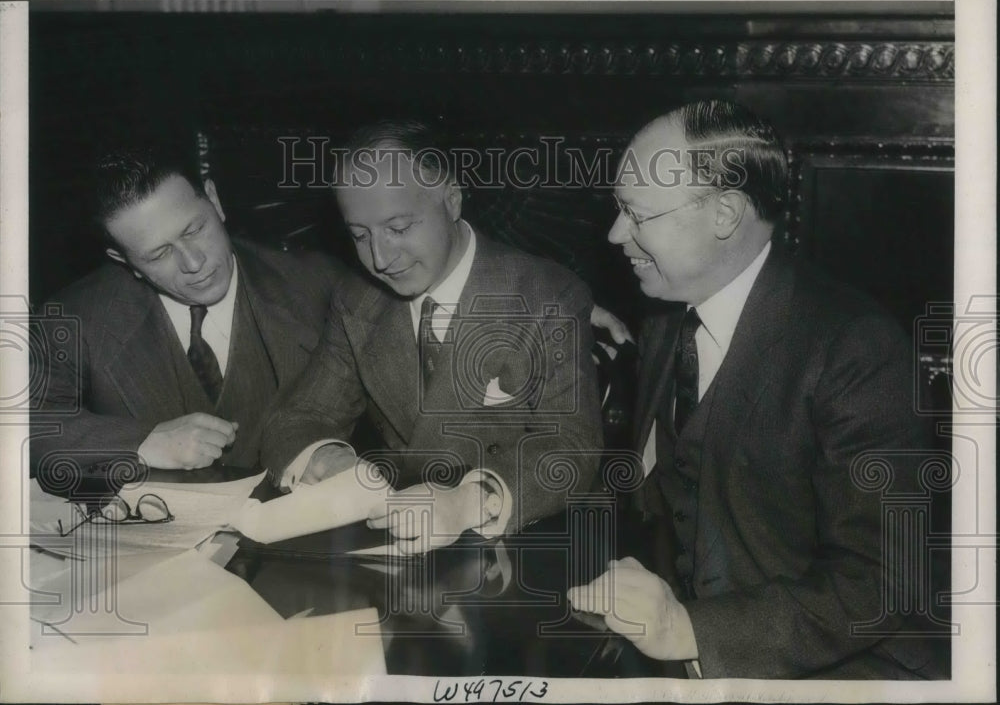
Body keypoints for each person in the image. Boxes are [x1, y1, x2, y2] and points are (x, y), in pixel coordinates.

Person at [568, 100, 945, 678]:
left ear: (725, 214)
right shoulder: (666, 317)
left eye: (636, 214)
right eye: (619, 208)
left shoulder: (854, 346)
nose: (616, 233)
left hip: (847, 670)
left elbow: (881, 580)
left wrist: (687, 630)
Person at [260, 120, 603, 553]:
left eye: (399, 228)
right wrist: (328, 459)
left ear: (452, 200)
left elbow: (572, 448)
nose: (380, 259)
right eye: (360, 236)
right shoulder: (358, 300)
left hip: (516, 550)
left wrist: (468, 501)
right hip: (397, 545)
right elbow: (295, 418)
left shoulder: (546, 295)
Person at [30, 142, 344, 491]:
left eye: (194, 230)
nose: (194, 263)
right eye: (159, 254)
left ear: (215, 199)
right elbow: (21, 425)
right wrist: (143, 442)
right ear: (123, 261)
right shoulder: (78, 317)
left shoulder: (321, 285)